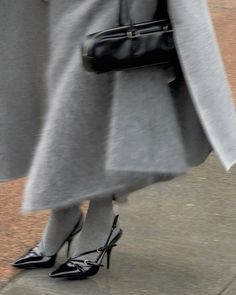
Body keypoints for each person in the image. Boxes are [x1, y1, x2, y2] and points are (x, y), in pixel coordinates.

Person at [1, 0, 236, 280]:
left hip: (113, 10)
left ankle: (99, 223)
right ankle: (64, 215)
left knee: (99, 118)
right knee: (54, 110)